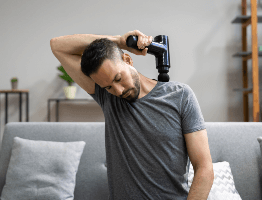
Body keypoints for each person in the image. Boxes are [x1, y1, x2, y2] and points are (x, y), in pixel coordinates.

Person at [50, 30, 214, 200]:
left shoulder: (180, 96)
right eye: (108, 87)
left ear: (127, 60)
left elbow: (204, 168)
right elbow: (57, 46)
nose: (118, 91)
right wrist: (118, 41)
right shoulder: (107, 98)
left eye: (118, 78)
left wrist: (120, 45)